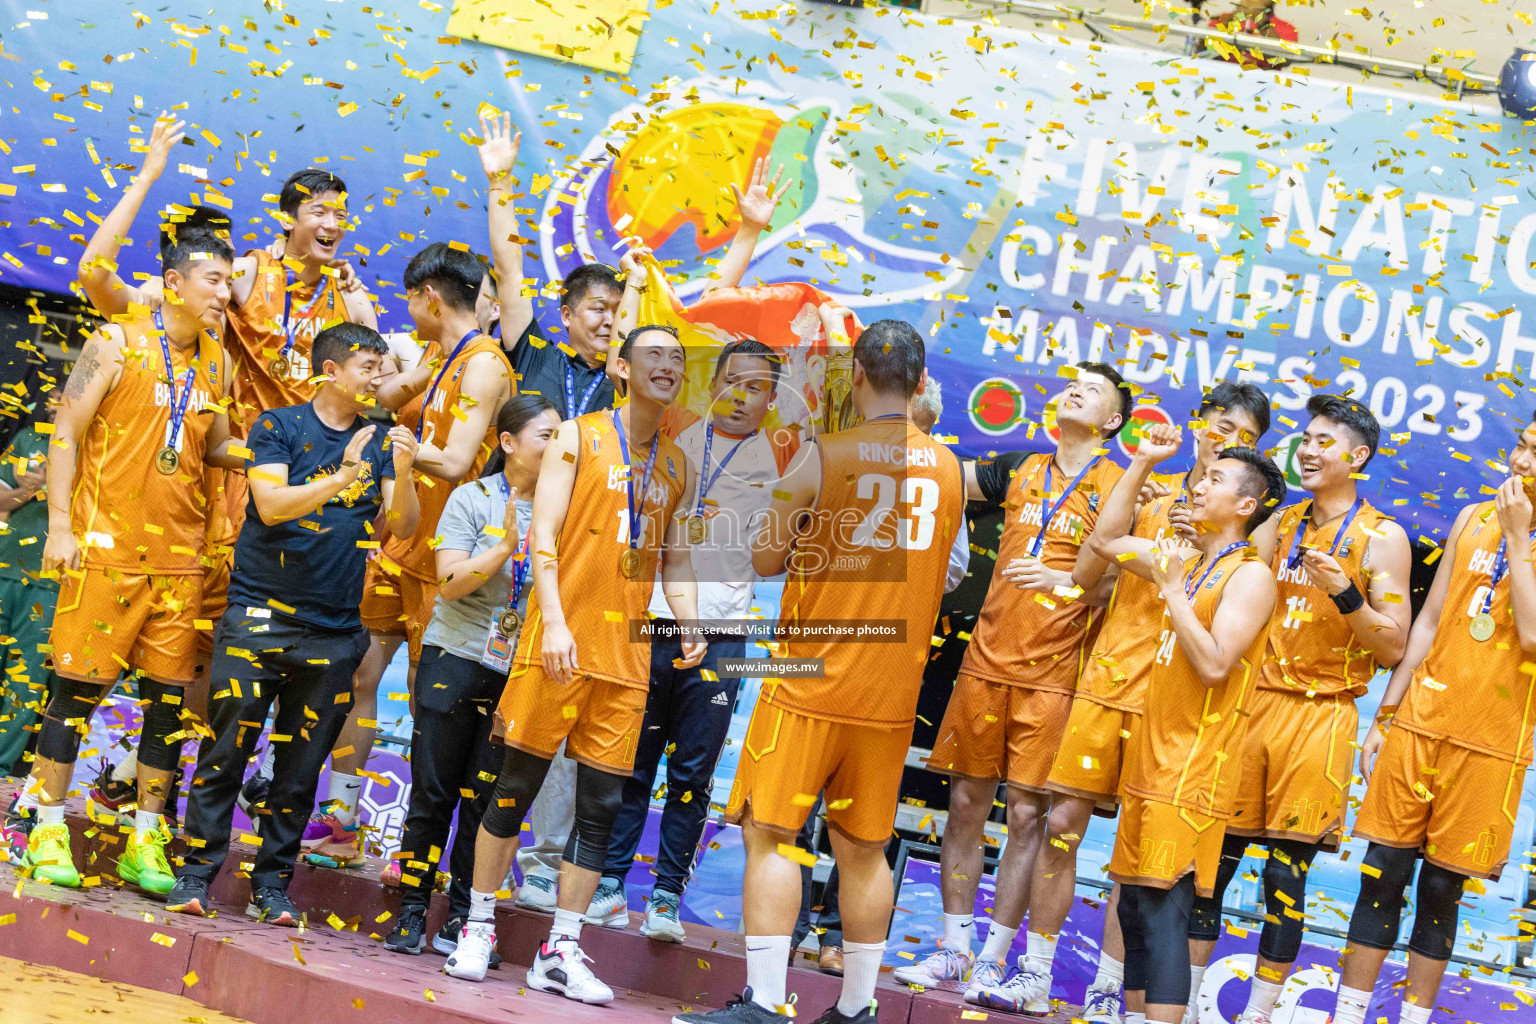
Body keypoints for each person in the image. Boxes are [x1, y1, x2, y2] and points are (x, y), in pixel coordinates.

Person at [673, 319, 963, 1024]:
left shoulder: (819, 455)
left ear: (855, 375)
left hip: (811, 673)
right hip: (893, 692)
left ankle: (767, 1003)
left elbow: (767, 560)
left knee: (769, 834)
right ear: (920, 383)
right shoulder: (951, 470)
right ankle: (859, 1010)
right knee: (864, 850)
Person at [971, 384, 1274, 1018]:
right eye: (1217, 425)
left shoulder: (1254, 527)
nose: (1223, 438)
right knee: (1060, 826)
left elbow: (1236, 628)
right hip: (1111, 680)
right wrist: (1141, 467)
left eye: (1240, 435)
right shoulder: (1158, 489)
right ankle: (1035, 971)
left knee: (1136, 863)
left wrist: (1199, 547)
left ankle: (1112, 988)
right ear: (1197, 427)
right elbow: (1099, 557)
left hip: (1176, 705)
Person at [11, 128, 244, 894]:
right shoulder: (116, 340)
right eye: (214, 278)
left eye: (231, 279)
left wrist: (294, 463)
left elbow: (211, 452)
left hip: (181, 563)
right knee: (75, 691)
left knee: (168, 705)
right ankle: (42, 825)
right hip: (107, 549)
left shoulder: (216, 361)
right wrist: (63, 525)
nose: (225, 291)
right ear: (174, 283)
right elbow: (67, 432)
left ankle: (146, 838)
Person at [442, 324, 702, 1005]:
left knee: (602, 808)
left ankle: (561, 947)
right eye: (655, 355)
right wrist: (553, 620)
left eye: (678, 358)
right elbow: (543, 534)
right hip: (556, 644)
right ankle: (476, 925)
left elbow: (672, 557)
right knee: (515, 784)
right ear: (620, 367)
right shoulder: (577, 436)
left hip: (627, 657)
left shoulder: (676, 463)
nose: (669, 366)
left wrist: (691, 617)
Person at [164, 323, 419, 924]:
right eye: (367, 367)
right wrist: (341, 478)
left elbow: (401, 527)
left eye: (383, 368)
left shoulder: (380, 439)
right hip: (258, 619)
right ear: (330, 371)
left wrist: (402, 473)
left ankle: (272, 886)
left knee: (300, 771)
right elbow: (272, 506)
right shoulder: (277, 426)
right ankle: (196, 874)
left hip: (334, 631)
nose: (378, 378)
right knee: (226, 751)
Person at [898, 363, 1132, 1003]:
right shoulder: (1020, 467)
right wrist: (898, 419)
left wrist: (1071, 587)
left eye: (1094, 388)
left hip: (1055, 675)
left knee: (1028, 814)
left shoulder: (1121, 488)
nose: (1075, 388)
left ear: (1112, 421)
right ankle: (953, 948)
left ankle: (997, 960)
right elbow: (937, 475)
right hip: (984, 662)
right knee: (967, 806)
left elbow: (1116, 579)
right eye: (1073, 381)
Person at [1182, 396, 1411, 1024]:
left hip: (1320, 717)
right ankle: (1194, 1005)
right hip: (1249, 708)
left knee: (1284, 881)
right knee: (1210, 870)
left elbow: (1393, 646)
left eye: (1324, 442)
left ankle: (1258, 1013)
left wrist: (1345, 594)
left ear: (1358, 458)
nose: (1308, 450)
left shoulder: (1384, 538)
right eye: (1305, 438)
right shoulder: (1276, 522)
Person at [305, 243, 515, 869]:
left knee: (432, 702)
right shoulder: (435, 354)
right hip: (397, 540)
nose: (406, 308)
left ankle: (416, 845)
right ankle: (341, 820)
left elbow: (453, 462)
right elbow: (381, 391)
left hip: (449, 556)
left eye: (408, 298)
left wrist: (390, 445)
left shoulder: (483, 366)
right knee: (359, 674)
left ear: (429, 296)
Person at [1326, 419, 1536, 1024]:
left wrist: (1520, 541)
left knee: (1442, 891)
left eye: (1535, 454)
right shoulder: (1473, 517)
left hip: (1491, 741)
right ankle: (1348, 1013)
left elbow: (1531, 635)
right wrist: (1386, 714)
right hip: (1420, 723)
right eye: (1520, 445)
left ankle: (1412, 1017)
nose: (1519, 462)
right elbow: (1429, 620)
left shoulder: (1517, 530)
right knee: (1380, 873)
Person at [586, 337, 787, 944]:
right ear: (714, 382)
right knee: (633, 760)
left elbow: (773, 563)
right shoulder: (672, 443)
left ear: (772, 397)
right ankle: (609, 883)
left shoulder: (782, 464)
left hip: (724, 631)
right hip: (652, 619)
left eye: (757, 386)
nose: (742, 395)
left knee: (694, 772)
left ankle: (668, 895)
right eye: (733, 380)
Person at [1087, 425, 1284, 1024]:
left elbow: (1217, 663)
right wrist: (1144, 461)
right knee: (1133, 909)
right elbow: (1104, 541)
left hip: (1194, 763)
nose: (1200, 486)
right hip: (1152, 753)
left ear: (1246, 506)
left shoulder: (1250, 575)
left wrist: (1171, 591)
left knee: (1164, 908)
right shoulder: (1190, 560)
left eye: (1217, 480)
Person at [216, 165, 378, 825]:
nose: (332, 225)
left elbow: (378, 370)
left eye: (341, 214)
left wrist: (361, 304)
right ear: (289, 217)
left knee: (311, 635)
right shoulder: (252, 271)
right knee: (220, 631)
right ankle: (187, 773)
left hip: (321, 484)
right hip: (244, 473)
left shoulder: (345, 294)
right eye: (319, 212)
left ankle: (275, 782)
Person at [382, 394, 561, 956]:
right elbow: (450, 582)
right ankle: (412, 912)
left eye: (562, 438)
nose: (559, 449)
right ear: (508, 444)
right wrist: (506, 546)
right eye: (546, 436)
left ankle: (464, 917)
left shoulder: (565, 511)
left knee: (483, 800)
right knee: (433, 796)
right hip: (453, 659)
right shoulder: (472, 498)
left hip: (516, 673)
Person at [476, 111, 780, 419]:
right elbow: (509, 271)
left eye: (619, 310)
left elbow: (706, 313)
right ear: (566, 314)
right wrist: (499, 180)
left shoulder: (632, 379)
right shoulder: (535, 356)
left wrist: (750, 230)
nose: (610, 320)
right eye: (599, 309)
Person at [0, 402, 57, 776]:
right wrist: (30, 489)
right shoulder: (28, 439)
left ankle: (3, 767)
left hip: (51, 584)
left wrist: (58, 485)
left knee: (25, 681)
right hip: (6, 567)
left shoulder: (104, 447)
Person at [1204, 0, 1298, 70]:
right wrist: (1234, 18)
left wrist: (1260, 19)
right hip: (1220, 76)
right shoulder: (1223, 18)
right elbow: (1204, 47)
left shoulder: (1287, 28)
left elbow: (1284, 60)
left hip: (1262, 84)